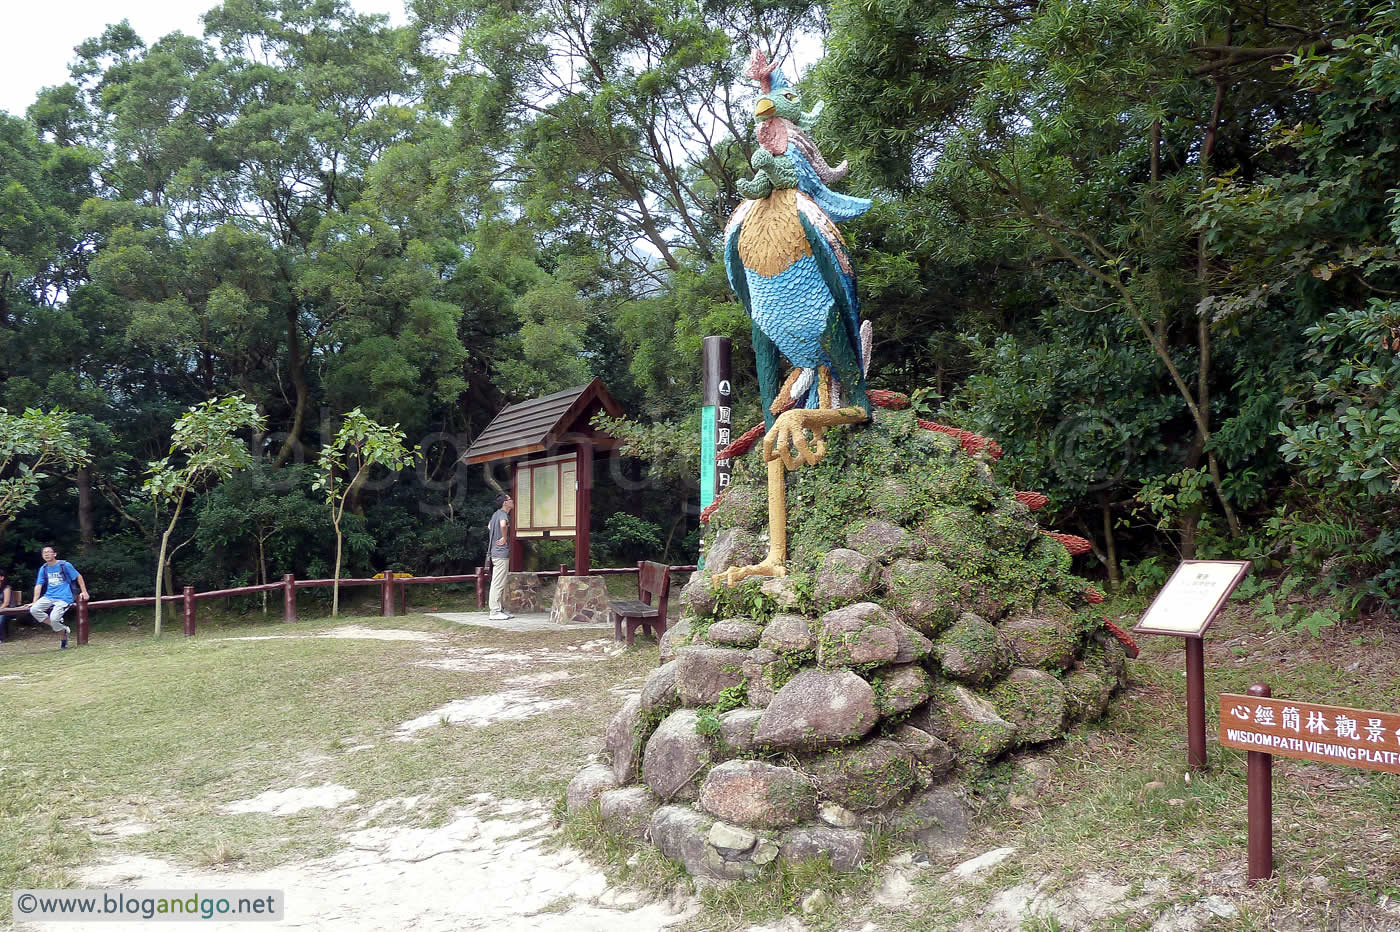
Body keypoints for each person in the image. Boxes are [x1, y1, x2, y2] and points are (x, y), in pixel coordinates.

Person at [31, 545, 89, 649]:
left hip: (64, 597)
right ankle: (63, 629)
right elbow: (38, 585)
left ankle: (60, 629)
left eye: (49, 552)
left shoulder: (64, 565)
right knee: (34, 609)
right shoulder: (43, 568)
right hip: (49, 596)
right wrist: (34, 601)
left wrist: (84, 592)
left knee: (54, 618)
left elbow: (78, 577)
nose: (47, 554)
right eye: (45, 552)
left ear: (55, 554)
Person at [487, 493, 514, 621]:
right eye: (509, 499)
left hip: (495, 552)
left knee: (499, 582)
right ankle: (495, 611)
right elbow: (503, 525)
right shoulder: (503, 515)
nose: (512, 500)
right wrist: (503, 537)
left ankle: (500, 609)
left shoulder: (495, 514)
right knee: (498, 582)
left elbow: (489, 526)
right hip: (501, 553)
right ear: (505, 503)